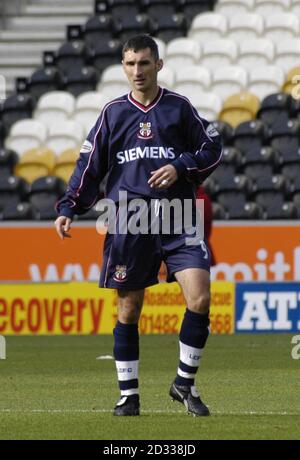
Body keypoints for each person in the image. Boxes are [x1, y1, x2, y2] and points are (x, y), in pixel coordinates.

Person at [55, 34, 223, 417]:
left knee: (200, 298)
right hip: (129, 219)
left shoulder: (179, 109)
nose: (137, 71)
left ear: (158, 65)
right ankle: (128, 396)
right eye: (130, 64)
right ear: (123, 67)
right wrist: (68, 206)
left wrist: (181, 166)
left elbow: (212, 148)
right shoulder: (113, 113)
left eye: (144, 63)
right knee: (129, 309)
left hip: (180, 217)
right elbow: (89, 167)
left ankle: (183, 382)